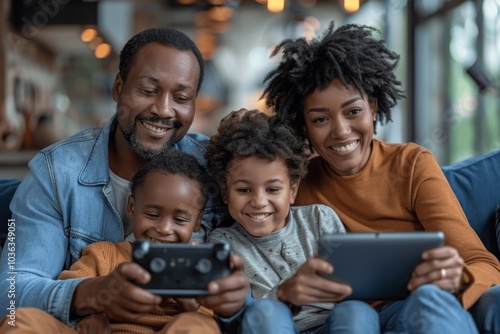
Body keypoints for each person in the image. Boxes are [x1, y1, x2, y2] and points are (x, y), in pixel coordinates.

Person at [257, 21, 500, 333]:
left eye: (353, 111)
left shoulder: (412, 164)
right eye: (320, 119)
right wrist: (287, 294)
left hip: (418, 309)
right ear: (303, 127)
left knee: (431, 300)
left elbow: (484, 264)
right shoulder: (294, 185)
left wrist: (457, 278)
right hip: (347, 320)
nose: (341, 131)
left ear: (372, 107)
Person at [0, 27, 247, 328]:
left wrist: (233, 303)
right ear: (118, 88)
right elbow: (10, 293)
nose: (163, 110)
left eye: (182, 97)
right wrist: (94, 293)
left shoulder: (219, 167)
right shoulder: (56, 171)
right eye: (147, 90)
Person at [2, 149, 235, 333]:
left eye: (180, 219)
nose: (164, 228)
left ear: (197, 222)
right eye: (152, 215)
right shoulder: (103, 254)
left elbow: (211, 318)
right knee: (22, 320)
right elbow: (73, 295)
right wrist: (94, 313)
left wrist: (188, 301)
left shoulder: (197, 265)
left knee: (199, 326)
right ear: (132, 207)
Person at [206, 110, 348, 333]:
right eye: (244, 190)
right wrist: (281, 294)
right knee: (264, 313)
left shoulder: (320, 219)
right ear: (225, 193)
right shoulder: (222, 244)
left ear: (292, 191)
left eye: (272, 189)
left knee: (358, 311)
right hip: (273, 326)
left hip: (331, 325)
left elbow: (350, 285)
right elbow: (235, 314)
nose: (259, 202)